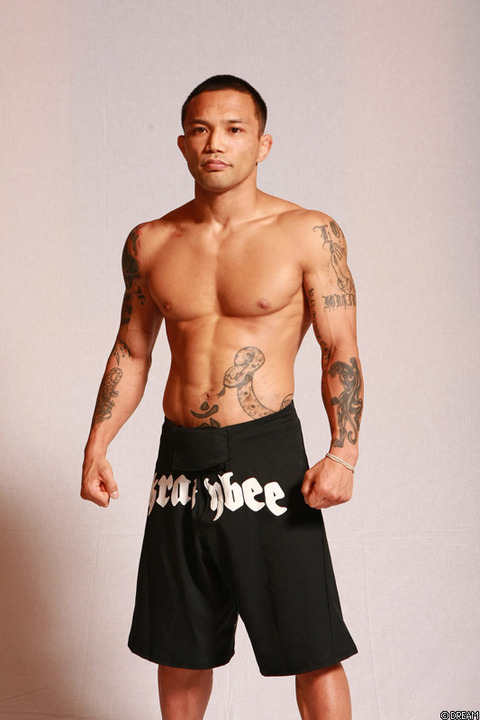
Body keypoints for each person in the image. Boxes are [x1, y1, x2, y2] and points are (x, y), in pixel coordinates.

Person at [81, 75, 364, 720]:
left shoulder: (308, 232)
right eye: (202, 129)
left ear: (263, 144)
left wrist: (343, 452)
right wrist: (97, 444)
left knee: (311, 644)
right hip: (179, 457)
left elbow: (339, 349)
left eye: (235, 129)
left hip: (268, 454)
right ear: (183, 144)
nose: (216, 143)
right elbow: (132, 350)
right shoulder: (150, 241)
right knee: (180, 647)